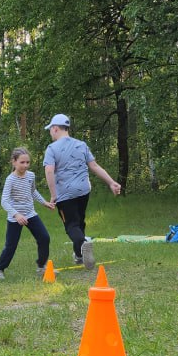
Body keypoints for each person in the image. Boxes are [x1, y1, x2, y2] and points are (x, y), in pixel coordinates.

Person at [43, 114, 121, 270]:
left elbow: (49, 171)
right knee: (79, 222)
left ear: (56, 128)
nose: (50, 133)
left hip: (65, 194)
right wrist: (111, 182)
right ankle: (79, 255)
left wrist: (53, 195)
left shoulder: (52, 148)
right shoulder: (81, 145)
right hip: (83, 191)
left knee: (71, 226)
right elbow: (94, 166)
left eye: (50, 129)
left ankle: (83, 242)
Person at [0, 148, 55, 280]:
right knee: (11, 245)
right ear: (14, 162)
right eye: (22, 162)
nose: (25, 165)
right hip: (15, 217)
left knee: (44, 238)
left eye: (28, 162)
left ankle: (41, 266)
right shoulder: (10, 179)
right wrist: (16, 215)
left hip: (30, 214)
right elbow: (4, 201)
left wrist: (44, 202)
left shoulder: (31, 175)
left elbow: (33, 191)